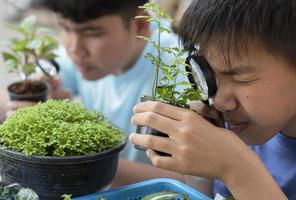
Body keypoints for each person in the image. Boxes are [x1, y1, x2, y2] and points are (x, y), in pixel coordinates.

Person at [130, 0, 296, 199]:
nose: (219, 101)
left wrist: (237, 169)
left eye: (241, 79)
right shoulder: (242, 130)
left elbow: (236, 171)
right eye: (211, 76)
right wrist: (202, 167)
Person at [5, 0, 181, 166]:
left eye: (93, 33)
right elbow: (42, 79)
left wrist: (82, 159)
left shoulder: (180, 71)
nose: (75, 49)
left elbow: (187, 181)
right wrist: (26, 101)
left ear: (140, 25)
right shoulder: (84, 57)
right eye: (65, 28)